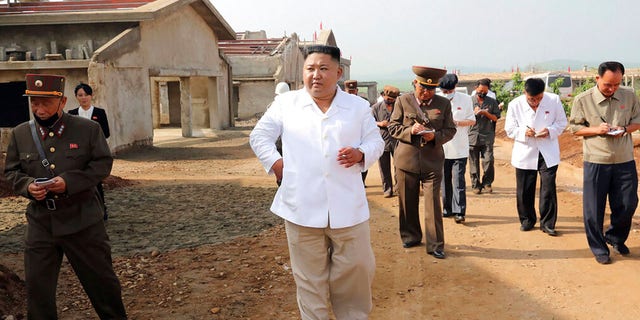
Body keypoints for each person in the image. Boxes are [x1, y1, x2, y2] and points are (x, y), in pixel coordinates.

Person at [249, 45, 384, 319]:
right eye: (310, 69)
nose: (316, 75)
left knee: (356, 272)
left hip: (348, 208)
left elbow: (376, 142)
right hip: (301, 208)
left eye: (323, 69)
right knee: (310, 281)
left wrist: (361, 154)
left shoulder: (356, 107)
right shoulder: (287, 104)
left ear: (338, 72)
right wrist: (277, 164)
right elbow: (259, 136)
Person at [3, 74, 127, 319]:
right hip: (41, 222)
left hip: (83, 221)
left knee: (103, 286)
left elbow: (102, 164)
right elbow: (11, 172)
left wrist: (69, 182)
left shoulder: (87, 129)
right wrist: (28, 186)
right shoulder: (21, 134)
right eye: (34, 103)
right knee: (38, 291)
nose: (39, 109)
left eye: (45, 103)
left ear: (62, 101)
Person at [568, 61, 640, 264]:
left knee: (628, 203)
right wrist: (596, 130)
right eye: (608, 84)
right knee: (593, 208)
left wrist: (625, 129)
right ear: (597, 79)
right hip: (596, 160)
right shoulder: (583, 100)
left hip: (624, 159)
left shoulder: (629, 96)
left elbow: (637, 121)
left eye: (616, 84)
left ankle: (615, 237)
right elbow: (575, 129)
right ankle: (599, 248)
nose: (612, 89)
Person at [388, 66, 456, 258]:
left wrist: (434, 136)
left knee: (433, 205)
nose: (426, 93)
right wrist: (411, 131)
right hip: (406, 161)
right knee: (407, 202)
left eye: (431, 89)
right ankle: (410, 236)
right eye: (423, 88)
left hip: (432, 162)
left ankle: (435, 245)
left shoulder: (443, 104)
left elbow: (450, 130)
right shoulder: (402, 101)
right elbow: (393, 127)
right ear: (415, 83)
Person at [505, 78, 567, 235]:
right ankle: (527, 220)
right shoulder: (515, 104)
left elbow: (561, 122)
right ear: (525, 92)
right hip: (525, 150)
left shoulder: (554, 100)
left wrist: (549, 130)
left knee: (548, 187)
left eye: (539, 98)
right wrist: (523, 132)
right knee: (525, 188)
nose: (536, 102)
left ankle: (547, 223)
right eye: (532, 99)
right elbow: (510, 129)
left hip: (548, 150)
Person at [68, 83, 111, 220]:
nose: (84, 98)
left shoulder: (99, 113)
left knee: (96, 181)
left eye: (86, 94)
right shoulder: (72, 114)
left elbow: (106, 133)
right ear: (76, 97)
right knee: (78, 182)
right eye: (80, 95)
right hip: (77, 155)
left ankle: (101, 209)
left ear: (91, 96)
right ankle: (79, 212)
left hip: (94, 154)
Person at [438, 74, 475, 223]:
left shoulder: (465, 99)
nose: (447, 94)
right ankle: (447, 209)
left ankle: (460, 211)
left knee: (458, 181)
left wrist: (457, 123)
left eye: (449, 91)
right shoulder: (437, 100)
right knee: (444, 181)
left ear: (454, 88)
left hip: (459, 147)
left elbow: (472, 120)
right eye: (444, 92)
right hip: (441, 147)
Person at [468, 78, 501, 194]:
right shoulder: (469, 101)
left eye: (485, 91)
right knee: (473, 162)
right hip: (472, 136)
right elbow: (463, 118)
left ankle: (487, 183)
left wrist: (486, 113)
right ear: (476, 88)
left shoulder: (492, 102)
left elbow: (496, 118)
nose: (482, 93)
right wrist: (474, 113)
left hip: (487, 136)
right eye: (481, 90)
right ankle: (475, 185)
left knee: (488, 161)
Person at [371, 85, 400, 197]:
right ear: (383, 96)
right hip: (382, 140)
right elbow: (369, 123)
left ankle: (398, 188)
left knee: (399, 166)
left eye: (392, 100)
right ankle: (387, 189)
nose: (390, 101)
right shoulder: (376, 108)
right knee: (384, 167)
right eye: (388, 99)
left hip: (397, 140)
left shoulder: (398, 107)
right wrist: (380, 124)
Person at [344, 79, 370, 186]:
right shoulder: (339, 103)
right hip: (346, 136)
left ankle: (362, 182)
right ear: (345, 90)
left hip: (360, 136)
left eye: (352, 90)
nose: (351, 93)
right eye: (349, 91)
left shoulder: (363, 103)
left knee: (362, 160)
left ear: (357, 90)